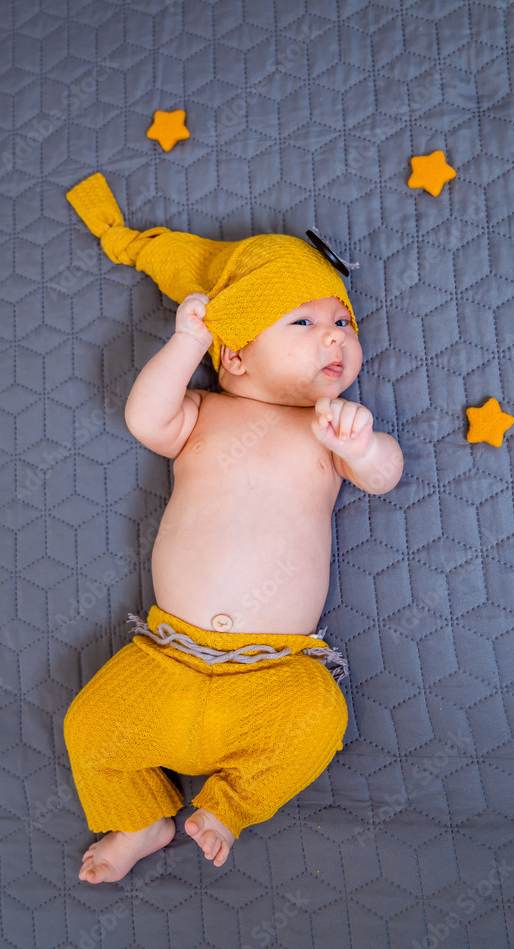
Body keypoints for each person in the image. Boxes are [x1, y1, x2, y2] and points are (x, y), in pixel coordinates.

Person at [63, 174, 404, 883]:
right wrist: (187, 343)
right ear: (237, 354)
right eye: (302, 323)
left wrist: (363, 444)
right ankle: (143, 821)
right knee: (90, 728)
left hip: (273, 669)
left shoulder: (327, 430)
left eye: (341, 321)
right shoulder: (201, 414)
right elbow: (144, 419)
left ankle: (228, 806)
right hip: (164, 658)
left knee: (318, 717)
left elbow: (383, 476)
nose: (333, 337)